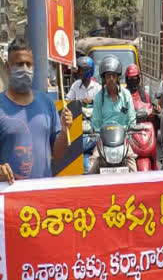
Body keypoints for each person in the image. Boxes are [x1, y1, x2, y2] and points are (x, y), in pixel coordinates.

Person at [0, 37, 73, 184]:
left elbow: (58, 154)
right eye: (19, 64)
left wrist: (65, 132)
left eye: (29, 64)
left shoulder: (47, 104)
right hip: (9, 199)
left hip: (41, 197)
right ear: (7, 68)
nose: (25, 69)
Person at [89, 55, 137, 173]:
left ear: (118, 78)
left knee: (134, 169)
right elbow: (95, 122)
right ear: (104, 78)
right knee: (91, 170)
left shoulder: (126, 95)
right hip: (104, 141)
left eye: (113, 76)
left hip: (123, 140)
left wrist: (129, 132)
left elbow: (132, 118)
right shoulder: (99, 97)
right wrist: (96, 133)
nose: (111, 79)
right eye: (108, 76)